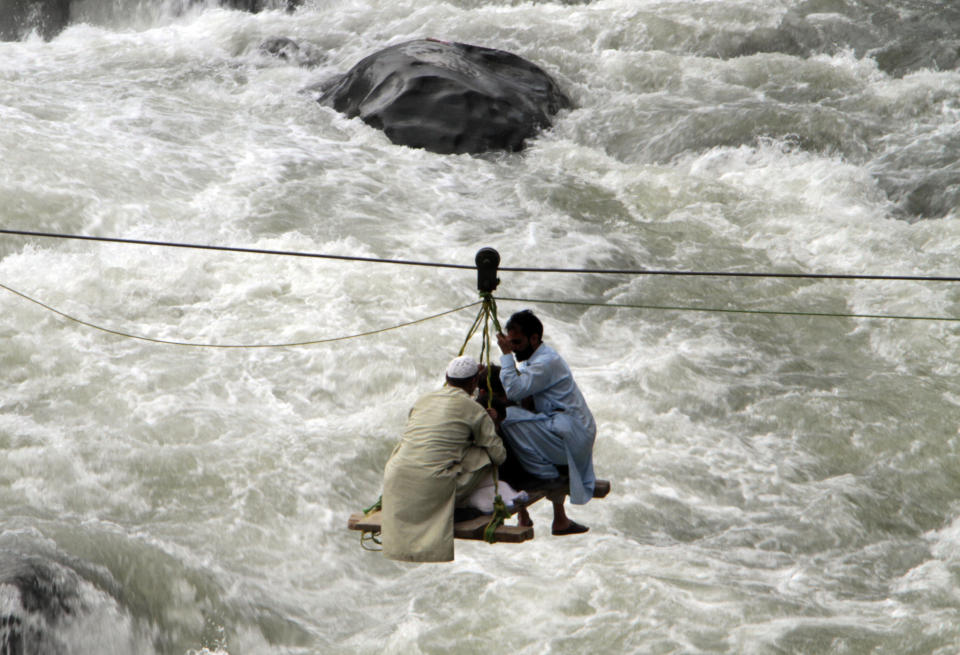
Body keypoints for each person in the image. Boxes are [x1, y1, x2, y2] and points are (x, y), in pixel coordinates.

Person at [381, 355, 506, 562]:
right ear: (474, 382)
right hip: (433, 487)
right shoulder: (475, 409)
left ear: (447, 377)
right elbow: (499, 455)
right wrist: (495, 425)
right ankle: (459, 504)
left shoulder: (423, 401)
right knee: (484, 454)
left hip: (395, 481)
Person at [496, 309, 596, 535]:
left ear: (534, 339)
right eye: (510, 343)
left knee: (505, 420)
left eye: (517, 343)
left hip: (570, 435)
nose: (513, 348)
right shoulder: (537, 359)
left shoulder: (545, 362)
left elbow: (513, 391)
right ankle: (559, 520)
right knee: (523, 423)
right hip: (570, 431)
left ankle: (541, 477)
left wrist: (505, 356)